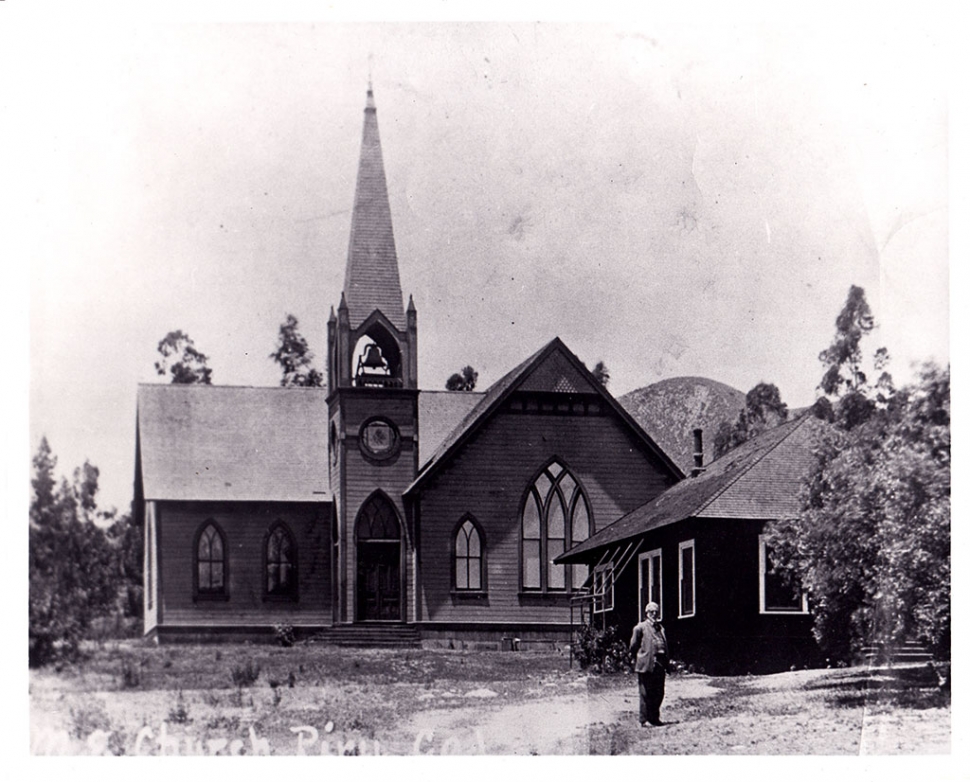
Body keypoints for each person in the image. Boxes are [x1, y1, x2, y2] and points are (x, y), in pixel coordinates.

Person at [629, 601, 668, 726]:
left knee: (659, 692)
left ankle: (654, 718)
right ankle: (644, 720)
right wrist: (640, 657)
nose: (654, 614)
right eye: (651, 611)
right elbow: (633, 646)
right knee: (646, 692)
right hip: (646, 664)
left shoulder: (660, 628)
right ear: (646, 613)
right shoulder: (640, 628)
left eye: (656, 611)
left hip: (659, 664)